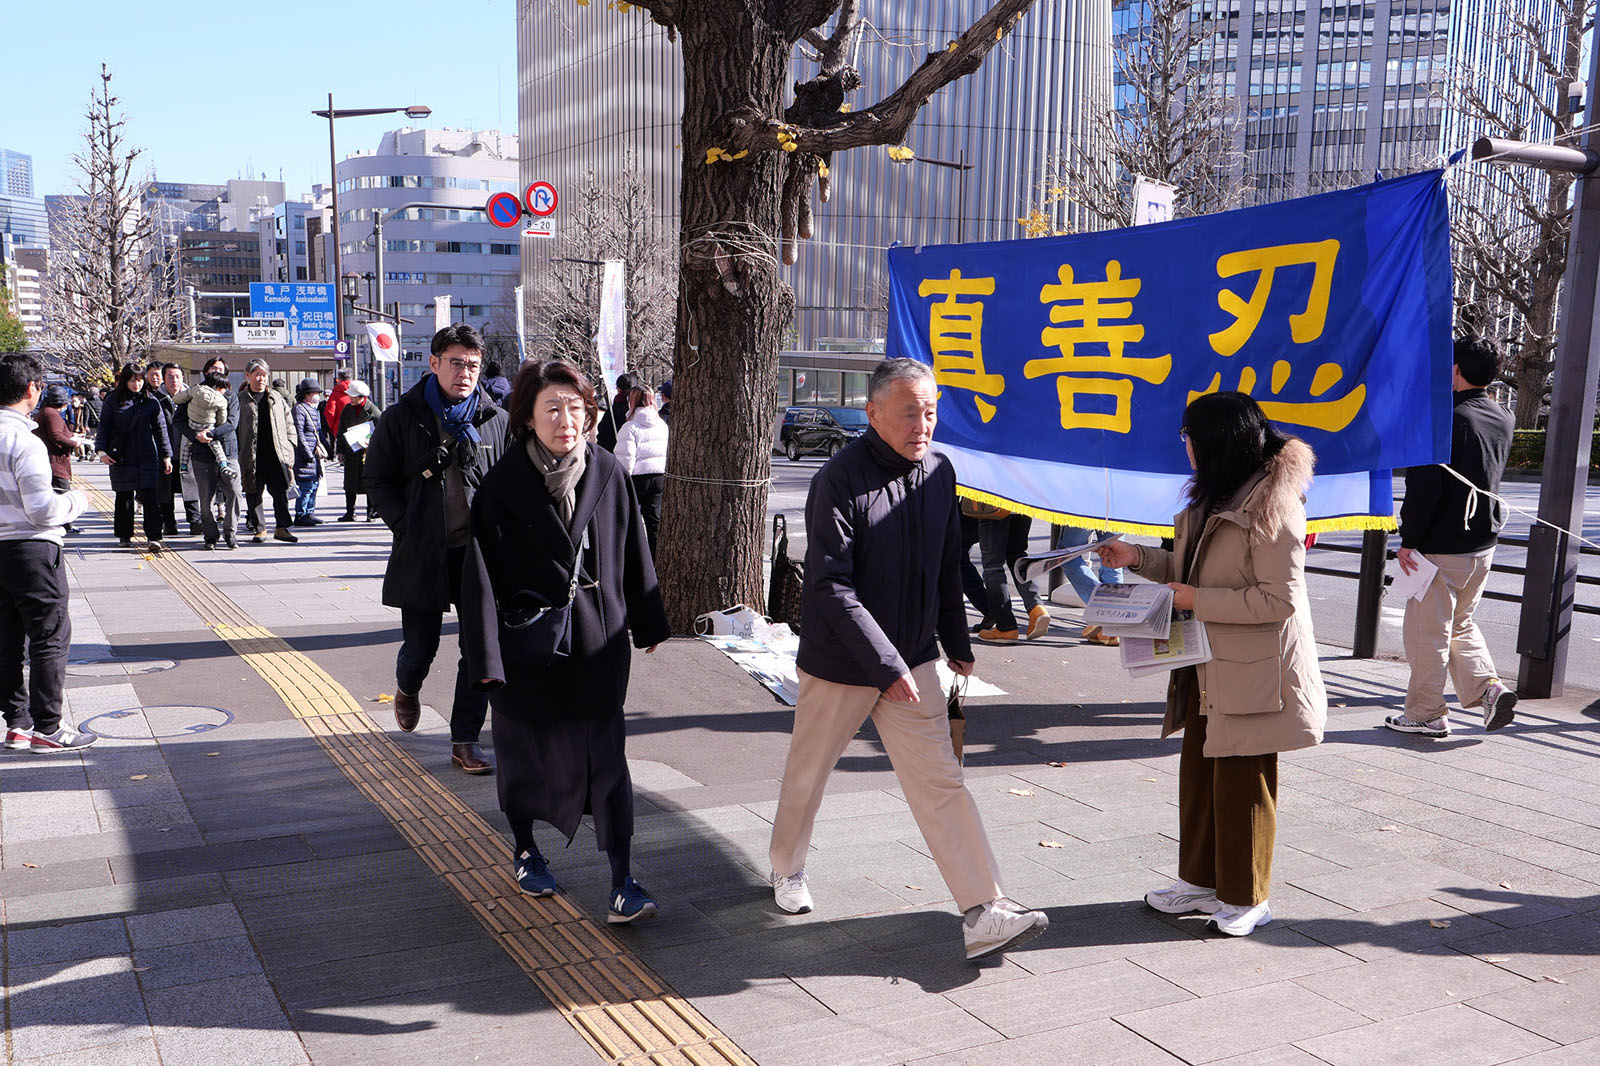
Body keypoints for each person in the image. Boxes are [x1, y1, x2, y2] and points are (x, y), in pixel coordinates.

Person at [767, 358, 1049, 962]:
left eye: (930, 412)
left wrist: (957, 644)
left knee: (942, 781)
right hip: (842, 662)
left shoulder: (940, 472)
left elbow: (947, 565)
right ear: (873, 414)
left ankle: (984, 910)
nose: (922, 425)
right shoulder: (838, 479)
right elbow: (830, 585)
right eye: (909, 413)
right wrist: (884, 664)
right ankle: (786, 867)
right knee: (809, 773)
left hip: (915, 657)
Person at [1096, 392, 1327, 938]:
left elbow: (1279, 601)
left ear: (1217, 442)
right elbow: (1193, 569)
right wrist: (1138, 558)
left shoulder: (1274, 506)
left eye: (1189, 437)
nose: (1186, 447)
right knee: (1200, 775)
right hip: (1207, 660)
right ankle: (1199, 881)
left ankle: (1248, 897)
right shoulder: (1220, 492)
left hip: (1254, 670)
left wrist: (1194, 601)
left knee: (1243, 783)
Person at [461, 358, 671, 922]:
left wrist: (649, 620)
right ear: (527, 418)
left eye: (576, 408)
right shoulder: (501, 486)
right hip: (527, 652)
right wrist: (485, 658)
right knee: (524, 759)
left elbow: (633, 548)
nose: (566, 420)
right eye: (552, 408)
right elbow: (478, 578)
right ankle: (526, 849)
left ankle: (623, 880)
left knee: (608, 764)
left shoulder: (608, 471)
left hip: (596, 646)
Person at [365, 324, 507, 774]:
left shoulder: (495, 419)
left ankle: (465, 739)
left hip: (477, 554)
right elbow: (377, 479)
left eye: (473, 365)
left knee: (478, 649)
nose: (465, 373)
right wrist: (404, 525)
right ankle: (407, 688)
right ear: (434, 363)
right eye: (456, 363)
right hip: (423, 549)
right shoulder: (402, 416)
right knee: (419, 648)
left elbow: (511, 484)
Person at [1386, 336, 1519, 738]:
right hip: (1481, 543)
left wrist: (1408, 540)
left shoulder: (1446, 419)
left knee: (1427, 635)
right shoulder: (1502, 415)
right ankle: (1489, 689)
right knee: (1459, 623)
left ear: (1456, 368)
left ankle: (1426, 713)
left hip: (1440, 546)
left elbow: (1424, 488)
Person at [0, 355, 93, 753]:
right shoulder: (25, 441)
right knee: (49, 636)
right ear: (31, 389)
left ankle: (17, 724)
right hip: (32, 549)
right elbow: (41, 510)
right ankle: (49, 727)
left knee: (5, 640)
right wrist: (77, 501)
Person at [94, 363, 172, 551]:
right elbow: (104, 427)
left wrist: (166, 456)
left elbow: (161, 430)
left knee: (150, 495)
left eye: (139, 380)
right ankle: (124, 535)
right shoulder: (113, 400)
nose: (136, 384)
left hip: (147, 455)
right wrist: (101, 451)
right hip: (122, 456)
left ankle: (154, 536)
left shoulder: (151, 401)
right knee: (124, 496)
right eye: (132, 380)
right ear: (124, 381)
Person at [237, 359, 299, 545]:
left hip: (276, 453)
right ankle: (260, 528)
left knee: (281, 491)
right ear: (248, 376)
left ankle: (282, 528)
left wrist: (290, 444)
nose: (261, 379)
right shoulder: (239, 399)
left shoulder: (276, 398)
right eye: (257, 375)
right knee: (253, 492)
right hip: (251, 454)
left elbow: (289, 422)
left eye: (264, 375)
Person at [971, 507, 1049, 643]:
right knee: (1017, 555)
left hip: (994, 504)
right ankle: (1036, 608)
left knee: (993, 565)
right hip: (1021, 502)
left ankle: (1005, 627)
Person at [184, 370, 240, 550]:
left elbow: (232, 423)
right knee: (206, 497)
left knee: (234, 491)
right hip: (202, 455)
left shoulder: (231, 397)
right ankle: (210, 536)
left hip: (228, 452)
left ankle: (230, 532)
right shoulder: (194, 394)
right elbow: (179, 421)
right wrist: (195, 435)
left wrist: (210, 434)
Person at [614, 384, 668, 558]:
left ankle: (633, 559)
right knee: (654, 522)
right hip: (659, 476)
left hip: (637, 479)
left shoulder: (629, 427)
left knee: (631, 522)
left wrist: (621, 480)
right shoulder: (661, 424)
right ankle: (657, 560)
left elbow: (626, 458)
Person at [1054, 524, 1124, 646]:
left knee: (1068, 554)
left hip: (1087, 512)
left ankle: (1102, 611)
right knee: (1113, 557)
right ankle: (1111, 626)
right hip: (1117, 512)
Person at [31, 386, 79, 535]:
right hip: (54, 461)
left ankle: (65, 523)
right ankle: (66, 524)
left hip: (50, 459)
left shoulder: (45, 412)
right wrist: (74, 443)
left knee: (57, 490)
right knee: (63, 490)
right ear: (63, 402)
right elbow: (56, 435)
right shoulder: (52, 414)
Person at [144, 364, 181, 538]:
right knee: (165, 489)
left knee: (190, 486)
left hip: (185, 450)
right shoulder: (153, 399)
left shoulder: (189, 396)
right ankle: (169, 522)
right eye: (170, 377)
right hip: (162, 451)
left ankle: (195, 520)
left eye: (177, 376)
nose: (174, 380)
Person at [335, 382, 379, 522]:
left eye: (353, 397)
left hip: (367, 453)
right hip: (351, 451)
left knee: (368, 482)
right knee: (349, 482)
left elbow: (381, 433)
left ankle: (370, 512)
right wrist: (340, 451)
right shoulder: (347, 409)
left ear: (362, 397)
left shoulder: (374, 411)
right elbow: (341, 430)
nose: (351, 399)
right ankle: (350, 512)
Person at [292, 378, 328, 526]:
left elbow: (318, 432)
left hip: (314, 454)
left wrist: (327, 448)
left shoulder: (313, 410)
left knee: (314, 484)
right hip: (305, 456)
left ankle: (309, 512)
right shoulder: (299, 409)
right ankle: (301, 514)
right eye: (315, 393)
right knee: (305, 486)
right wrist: (307, 453)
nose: (317, 396)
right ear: (306, 394)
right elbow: (299, 433)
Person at [597, 372, 636, 452]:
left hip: (616, 453)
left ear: (618, 389)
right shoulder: (645, 410)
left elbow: (603, 436)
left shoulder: (614, 411)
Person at [323, 369, 352, 439]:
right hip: (357, 428)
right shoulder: (357, 391)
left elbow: (329, 412)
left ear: (339, 379)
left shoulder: (335, 394)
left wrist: (333, 426)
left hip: (340, 429)